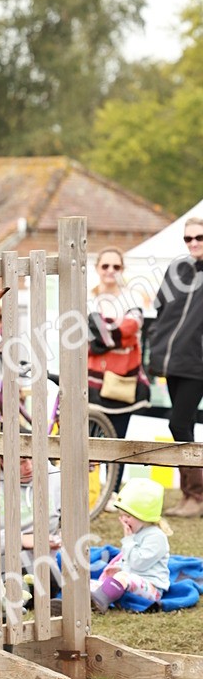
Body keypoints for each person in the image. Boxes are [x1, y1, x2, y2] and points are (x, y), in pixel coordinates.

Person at [147, 218, 203, 516]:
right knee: (185, 424)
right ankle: (190, 496)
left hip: (197, 363)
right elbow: (160, 311)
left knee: (178, 423)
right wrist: (155, 345)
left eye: (200, 237)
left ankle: (195, 496)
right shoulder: (177, 269)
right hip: (173, 361)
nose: (194, 242)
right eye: (188, 238)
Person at [87, 246, 151, 499]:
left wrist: (100, 333)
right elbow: (86, 339)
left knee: (117, 440)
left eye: (116, 266)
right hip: (91, 381)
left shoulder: (132, 298)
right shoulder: (86, 299)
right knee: (90, 438)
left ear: (123, 269)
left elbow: (131, 329)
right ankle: (90, 493)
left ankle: (112, 493)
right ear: (97, 269)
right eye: (106, 266)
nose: (111, 271)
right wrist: (111, 336)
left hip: (123, 382)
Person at [0, 455, 62, 597]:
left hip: (45, 559)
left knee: (52, 575)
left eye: (33, 459)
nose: (29, 466)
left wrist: (60, 538)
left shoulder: (56, 478)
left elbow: (70, 523)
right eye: (21, 462)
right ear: (1, 461)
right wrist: (21, 540)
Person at [90, 478, 171, 612]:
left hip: (152, 588)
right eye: (122, 515)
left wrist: (128, 540)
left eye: (128, 516)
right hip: (132, 581)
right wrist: (118, 567)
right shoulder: (137, 533)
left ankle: (100, 602)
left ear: (144, 516)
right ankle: (80, 599)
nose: (123, 520)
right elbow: (129, 562)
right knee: (93, 582)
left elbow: (138, 563)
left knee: (123, 577)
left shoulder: (156, 537)